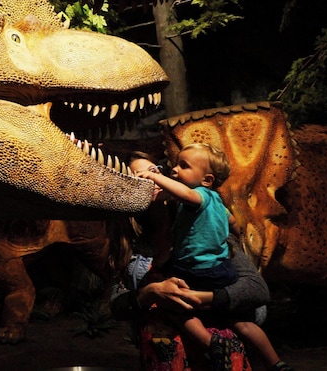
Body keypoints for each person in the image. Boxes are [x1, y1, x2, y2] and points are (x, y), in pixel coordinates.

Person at [118, 149, 293, 371]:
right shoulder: (128, 244)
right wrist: (150, 292)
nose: (149, 179)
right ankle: (274, 363)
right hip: (164, 354)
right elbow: (118, 306)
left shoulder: (199, 209)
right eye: (137, 177)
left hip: (211, 326)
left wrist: (201, 298)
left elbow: (257, 292)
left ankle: (213, 345)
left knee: (183, 311)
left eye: (153, 171)